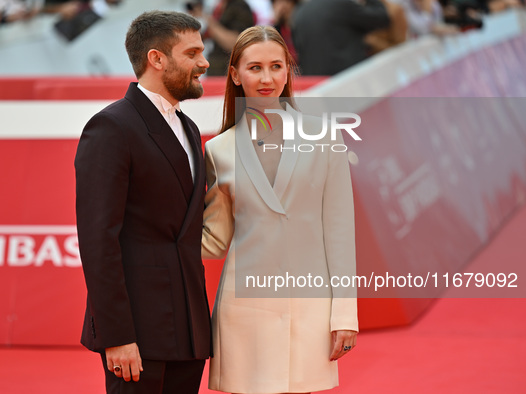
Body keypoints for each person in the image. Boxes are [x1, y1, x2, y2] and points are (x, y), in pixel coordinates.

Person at [202, 25, 358, 393]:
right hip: (243, 313)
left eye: (276, 66)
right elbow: (214, 241)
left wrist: (344, 315)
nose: (267, 77)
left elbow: (339, 232)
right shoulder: (218, 149)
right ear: (235, 75)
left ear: (289, 70)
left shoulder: (325, 137)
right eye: (255, 68)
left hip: (309, 310)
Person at [74, 10, 211, 394]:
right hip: (137, 332)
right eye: (193, 53)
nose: (204, 62)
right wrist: (116, 335)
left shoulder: (189, 128)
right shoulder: (112, 126)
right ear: (157, 58)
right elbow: (99, 240)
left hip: (188, 330)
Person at [291, 0, 391, 75]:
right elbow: (381, 18)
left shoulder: (299, 14)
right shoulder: (341, 4)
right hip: (348, 81)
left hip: (319, 88)